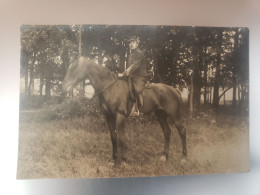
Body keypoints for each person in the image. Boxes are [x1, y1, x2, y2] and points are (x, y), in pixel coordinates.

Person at [118, 36, 147, 110]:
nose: (131, 44)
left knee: (138, 90)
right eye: (130, 43)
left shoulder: (139, 54)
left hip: (139, 76)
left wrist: (123, 74)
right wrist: (123, 74)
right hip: (132, 77)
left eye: (133, 42)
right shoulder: (131, 55)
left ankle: (140, 109)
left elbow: (134, 67)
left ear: (137, 43)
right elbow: (129, 68)